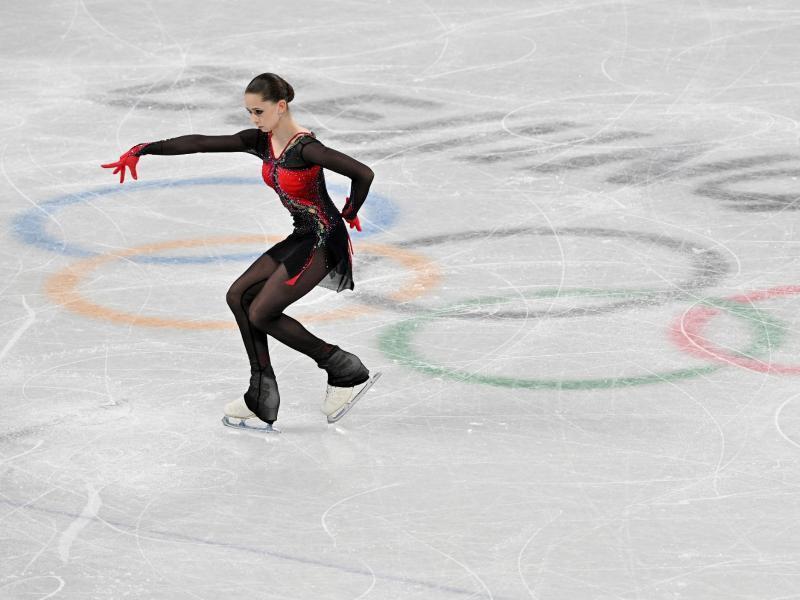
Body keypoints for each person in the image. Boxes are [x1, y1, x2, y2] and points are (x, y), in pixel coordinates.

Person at [100, 72, 382, 432]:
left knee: (263, 312)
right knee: (239, 296)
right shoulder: (261, 142)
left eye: (259, 112)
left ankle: (344, 370)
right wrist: (144, 148)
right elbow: (201, 142)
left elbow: (363, 172)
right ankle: (261, 393)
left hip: (324, 239)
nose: (254, 120)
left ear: (281, 107)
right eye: (249, 112)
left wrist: (352, 209)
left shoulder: (305, 149)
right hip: (301, 235)